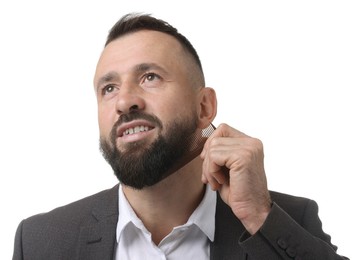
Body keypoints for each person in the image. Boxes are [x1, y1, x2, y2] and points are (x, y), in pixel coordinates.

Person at [12, 13, 348, 260]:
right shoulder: (41, 242)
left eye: (150, 77)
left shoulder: (284, 220)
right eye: (108, 88)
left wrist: (260, 217)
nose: (125, 101)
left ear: (204, 107)